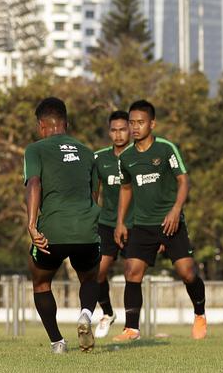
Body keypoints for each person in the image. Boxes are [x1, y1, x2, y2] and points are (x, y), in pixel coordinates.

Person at [114, 99, 208, 342]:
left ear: (152, 124)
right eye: (131, 123)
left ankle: (199, 313)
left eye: (140, 122)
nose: (135, 127)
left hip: (170, 222)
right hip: (142, 225)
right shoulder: (126, 157)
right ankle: (131, 328)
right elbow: (125, 189)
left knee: (187, 273)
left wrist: (176, 209)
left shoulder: (166, 149)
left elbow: (183, 180)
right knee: (132, 271)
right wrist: (120, 222)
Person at [23, 97, 103, 354]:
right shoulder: (88, 152)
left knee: (41, 283)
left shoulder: (35, 149)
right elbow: (94, 195)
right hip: (86, 228)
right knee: (90, 277)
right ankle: (86, 315)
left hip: (52, 231)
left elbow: (34, 184)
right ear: (65, 123)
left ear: (41, 125)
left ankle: (57, 342)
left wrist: (32, 225)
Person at [91, 110, 131, 338]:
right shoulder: (99, 159)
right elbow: (94, 193)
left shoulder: (139, 155)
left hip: (134, 223)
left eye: (122, 129)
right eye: (114, 130)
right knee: (98, 272)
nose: (118, 134)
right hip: (106, 223)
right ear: (109, 132)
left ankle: (131, 326)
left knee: (131, 274)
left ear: (130, 130)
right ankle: (107, 312)